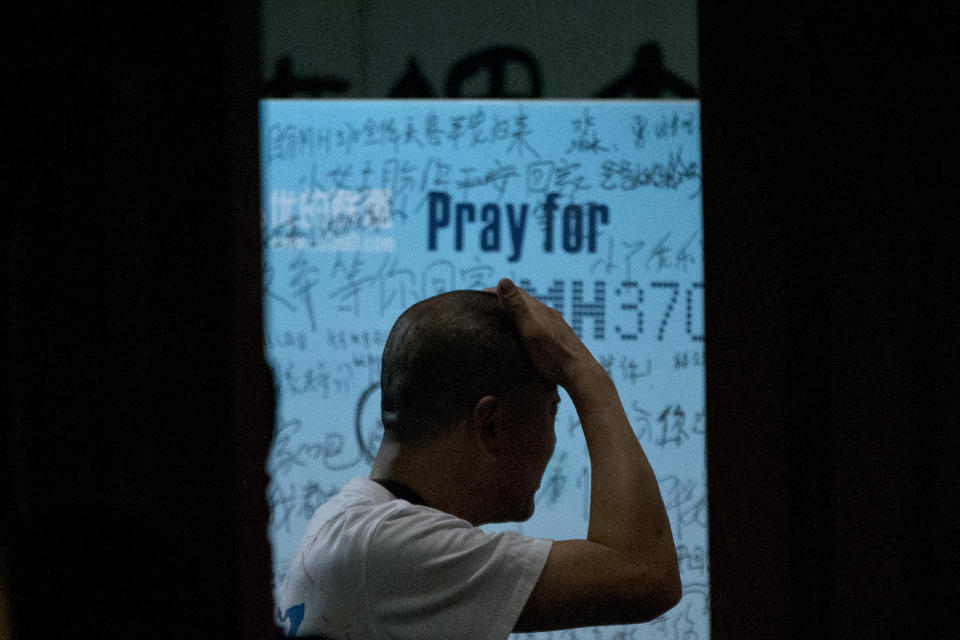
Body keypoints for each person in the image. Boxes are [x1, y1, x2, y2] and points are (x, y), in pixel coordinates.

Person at [276, 278, 681, 638]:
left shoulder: (352, 524)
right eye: (551, 412)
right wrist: (583, 372)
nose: (554, 439)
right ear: (492, 425)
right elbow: (645, 573)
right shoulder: (389, 545)